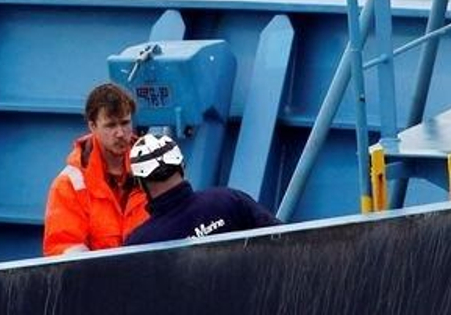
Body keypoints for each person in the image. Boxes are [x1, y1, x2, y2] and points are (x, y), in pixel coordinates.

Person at [42, 82, 149, 255]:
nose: (120, 133)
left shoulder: (155, 168)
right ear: (92, 127)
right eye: (111, 125)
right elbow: (63, 247)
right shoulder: (70, 185)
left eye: (125, 123)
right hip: (99, 272)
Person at [123, 131, 280, 246]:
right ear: (182, 165)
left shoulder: (139, 243)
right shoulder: (229, 200)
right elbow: (285, 239)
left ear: (140, 183)